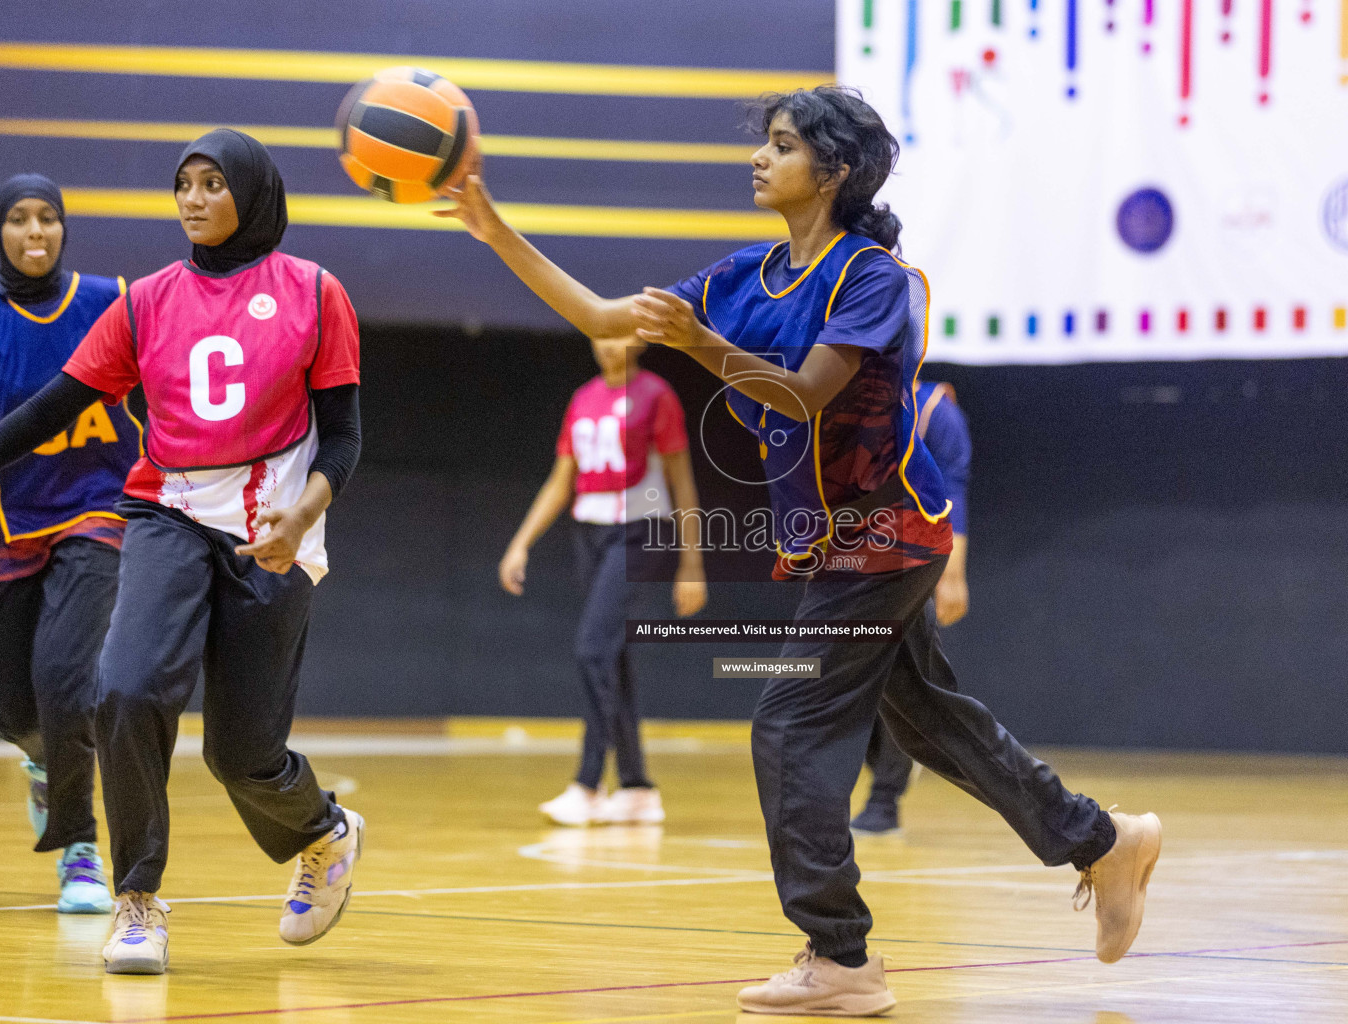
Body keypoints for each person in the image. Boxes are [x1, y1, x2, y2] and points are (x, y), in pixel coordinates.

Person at [439, 86, 1161, 1017]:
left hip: (890, 533)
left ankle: (841, 955)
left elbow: (803, 395)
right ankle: (1102, 841)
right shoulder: (746, 274)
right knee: (930, 721)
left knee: (785, 725)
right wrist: (492, 228)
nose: (758, 159)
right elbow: (603, 318)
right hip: (839, 547)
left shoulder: (872, 278)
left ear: (835, 171)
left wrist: (701, 345)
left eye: (779, 146)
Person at [0, 130, 365, 975]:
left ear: (252, 193)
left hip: (274, 523)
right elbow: (54, 408)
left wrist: (301, 515)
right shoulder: (146, 301)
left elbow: (342, 441)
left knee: (241, 754)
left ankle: (323, 834)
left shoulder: (315, 292)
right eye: (182, 185)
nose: (193, 199)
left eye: (211, 184)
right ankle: (137, 900)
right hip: (166, 510)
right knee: (123, 689)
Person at [0, 174, 138, 914]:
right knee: (15, 709)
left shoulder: (106, 300)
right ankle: (44, 762)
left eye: (47, 218)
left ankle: (80, 848)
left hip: (96, 510)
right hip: (8, 522)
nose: (35, 233)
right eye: (18, 220)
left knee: (64, 678)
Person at [501, 334, 707, 826]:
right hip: (588, 533)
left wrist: (692, 563)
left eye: (620, 332)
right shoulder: (584, 397)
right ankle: (637, 788)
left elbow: (681, 480)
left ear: (639, 340)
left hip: (639, 532)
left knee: (592, 650)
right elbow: (561, 477)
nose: (610, 343)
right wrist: (521, 541)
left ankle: (588, 783)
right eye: (601, 331)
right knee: (613, 658)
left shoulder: (657, 395)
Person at [849, 379, 970, 836]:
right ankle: (882, 772)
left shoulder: (937, 411)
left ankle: (885, 798)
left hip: (915, 558)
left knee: (902, 679)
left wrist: (953, 576)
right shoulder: (841, 402)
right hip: (857, 558)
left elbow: (954, 493)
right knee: (858, 682)